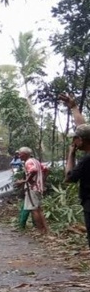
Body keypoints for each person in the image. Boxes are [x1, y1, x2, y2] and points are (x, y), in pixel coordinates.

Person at [60, 93, 90, 248]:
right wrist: (73, 108)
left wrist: (71, 154)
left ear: (81, 141)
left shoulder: (86, 161)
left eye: (75, 138)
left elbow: (69, 178)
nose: (73, 141)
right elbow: (85, 130)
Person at [15, 147, 49, 234]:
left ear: (25, 154)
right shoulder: (35, 161)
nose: (19, 156)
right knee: (38, 209)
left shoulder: (28, 162)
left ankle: (40, 230)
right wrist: (42, 181)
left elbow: (33, 170)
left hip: (32, 188)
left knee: (34, 210)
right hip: (38, 187)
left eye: (20, 154)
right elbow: (45, 169)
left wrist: (25, 180)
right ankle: (45, 229)